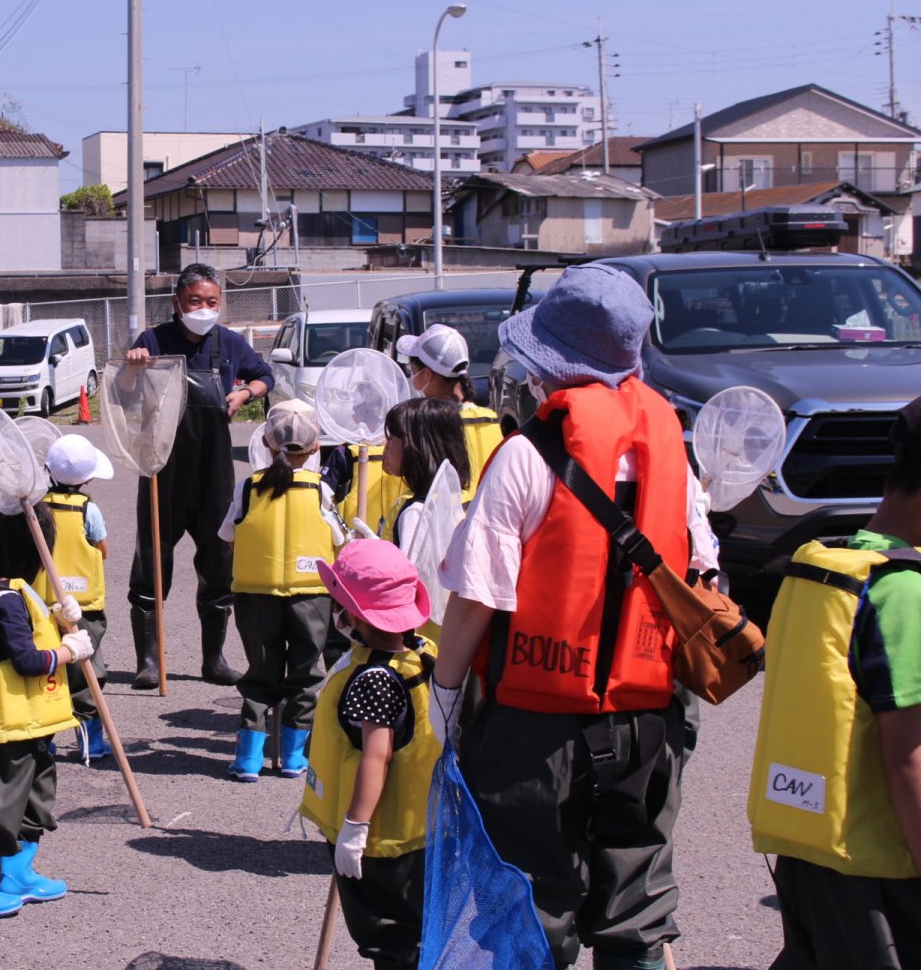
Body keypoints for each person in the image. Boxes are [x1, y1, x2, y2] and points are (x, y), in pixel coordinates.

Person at [428, 265, 719, 970]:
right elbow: (704, 570)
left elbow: (476, 598)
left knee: (531, 911)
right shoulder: (670, 454)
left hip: (533, 726)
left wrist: (445, 696)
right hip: (647, 717)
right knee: (637, 914)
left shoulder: (526, 456)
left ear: (549, 363)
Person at [749, 395, 921, 970]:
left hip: (810, 857)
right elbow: (909, 760)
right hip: (884, 872)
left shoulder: (820, 567)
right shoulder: (903, 592)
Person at [123, 262, 273, 688]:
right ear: (177, 302)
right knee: (152, 561)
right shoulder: (152, 341)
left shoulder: (228, 344)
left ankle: (214, 660)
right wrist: (134, 367)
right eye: (195, 301)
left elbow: (266, 376)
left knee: (218, 561)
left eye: (212, 302)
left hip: (213, 472)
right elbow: (125, 395)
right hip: (163, 470)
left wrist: (244, 391)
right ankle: (149, 662)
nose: (204, 309)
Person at [0, 503, 94, 917]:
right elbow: (27, 661)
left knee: (35, 800)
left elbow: (29, 628)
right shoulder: (4, 599)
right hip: (7, 728)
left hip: (32, 723)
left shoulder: (19, 594)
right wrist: (69, 650)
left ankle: (18, 872)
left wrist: (59, 618)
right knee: (1, 807)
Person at [298, 538, 438, 970]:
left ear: (355, 615)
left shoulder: (372, 680)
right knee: (415, 934)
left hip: (381, 841)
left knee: (390, 942)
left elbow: (377, 756)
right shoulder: (423, 656)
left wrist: (354, 829)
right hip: (421, 830)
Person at [218, 403, 340, 781]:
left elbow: (229, 536)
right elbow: (338, 541)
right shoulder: (322, 490)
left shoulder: (248, 486)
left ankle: (249, 760)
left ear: (266, 441)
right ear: (316, 447)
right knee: (305, 673)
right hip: (312, 597)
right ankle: (293, 757)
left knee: (260, 672)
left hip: (256, 595)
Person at [32, 434, 114, 764]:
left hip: (41, 602)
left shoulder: (37, 507)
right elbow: (102, 548)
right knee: (86, 671)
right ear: (88, 477)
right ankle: (90, 742)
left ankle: (43, 740)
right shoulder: (88, 509)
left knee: (46, 671)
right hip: (84, 604)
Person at [395, 324, 503, 500]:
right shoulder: (491, 420)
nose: (413, 381)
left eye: (414, 372)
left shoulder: (426, 425)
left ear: (428, 374)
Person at [380, 398, 471, 554]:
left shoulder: (415, 514)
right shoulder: (463, 500)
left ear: (414, 446)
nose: (386, 445)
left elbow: (409, 573)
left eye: (392, 437)